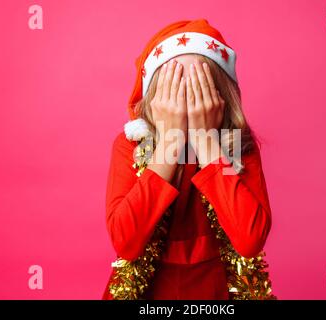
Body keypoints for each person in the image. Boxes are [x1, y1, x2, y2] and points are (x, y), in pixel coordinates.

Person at [102, 19, 273, 300]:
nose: (187, 100)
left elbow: (250, 240)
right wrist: (170, 141)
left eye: (199, 87)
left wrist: (206, 141)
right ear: (154, 96)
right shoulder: (130, 146)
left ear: (220, 95)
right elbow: (126, 243)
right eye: (174, 87)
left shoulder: (239, 147)